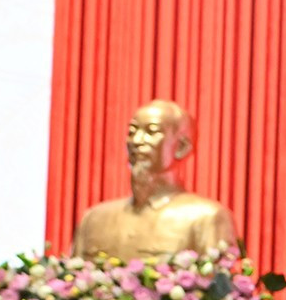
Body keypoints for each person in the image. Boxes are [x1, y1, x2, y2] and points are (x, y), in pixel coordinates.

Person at [71, 98, 239, 262]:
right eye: (132, 132)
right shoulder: (93, 219)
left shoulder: (207, 217)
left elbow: (220, 285)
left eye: (151, 132)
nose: (136, 141)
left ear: (181, 147)